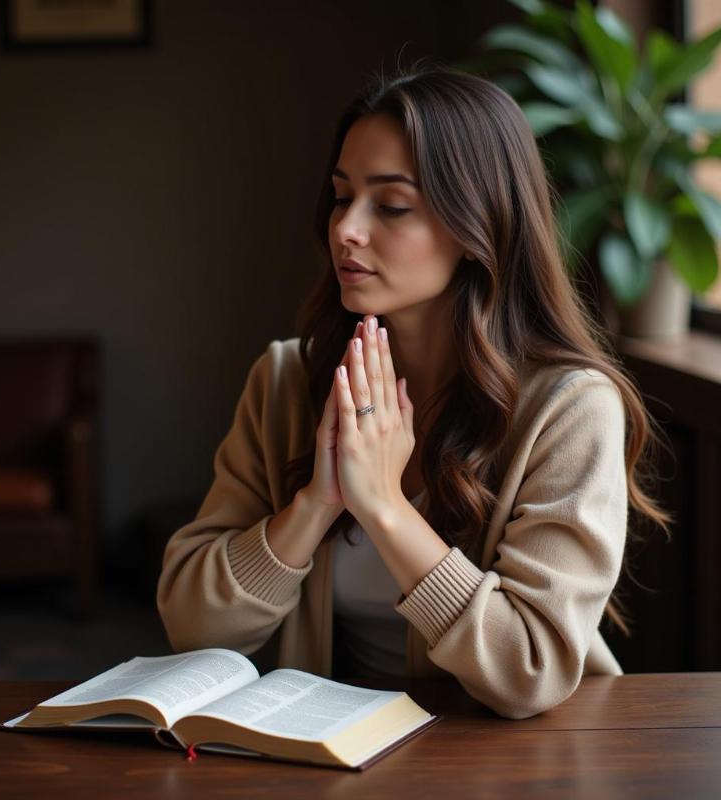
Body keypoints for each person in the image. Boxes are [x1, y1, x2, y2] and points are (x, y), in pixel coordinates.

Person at [157, 63, 668, 719]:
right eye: (342, 196)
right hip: (327, 750)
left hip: (499, 763)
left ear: (478, 226)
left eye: (391, 205)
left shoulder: (571, 410)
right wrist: (316, 503)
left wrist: (385, 509)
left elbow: (529, 671)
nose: (347, 228)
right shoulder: (286, 381)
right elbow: (191, 626)